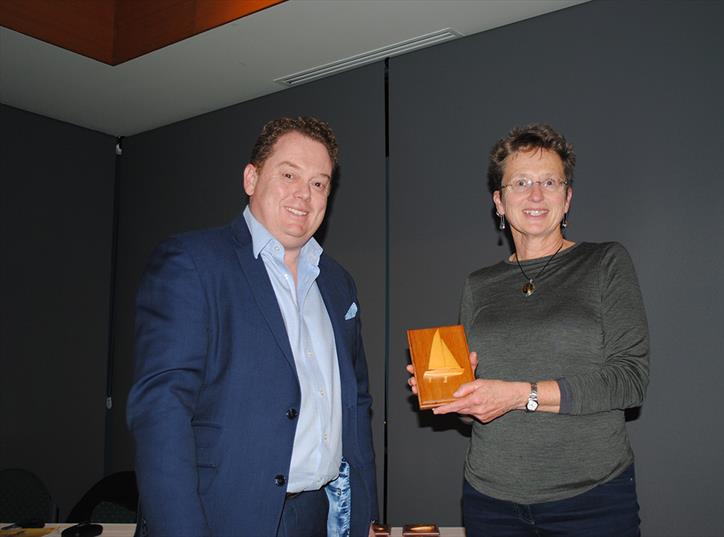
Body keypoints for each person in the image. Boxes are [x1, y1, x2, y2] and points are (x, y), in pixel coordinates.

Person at [128, 116, 378, 537]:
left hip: (318, 516)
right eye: (288, 175)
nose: (305, 194)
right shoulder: (192, 263)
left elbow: (356, 403)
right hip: (220, 518)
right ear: (251, 178)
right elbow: (160, 415)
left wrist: (362, 516)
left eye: (319, 183)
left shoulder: (338, 283)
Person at [408, 123, 649, 536]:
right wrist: (458, 397)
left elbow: (630, 381)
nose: (535, 195)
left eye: (549, 182)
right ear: (499, 202)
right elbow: (483, 410)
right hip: (489, 501)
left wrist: (521, 395)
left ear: (567, 197)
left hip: (592, 502)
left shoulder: (606, 262)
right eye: (520, 182)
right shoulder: (478, 284)